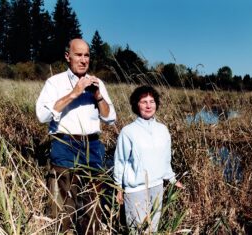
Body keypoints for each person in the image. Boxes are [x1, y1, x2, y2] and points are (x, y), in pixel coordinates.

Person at [36, 38, 116, 234]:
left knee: (92, 206)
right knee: (63, 207)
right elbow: (42, 115)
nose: (83, 60)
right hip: (64, 144)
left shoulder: (97, 83)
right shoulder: (55, 82)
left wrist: (97, 95)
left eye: (86, 55)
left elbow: (110, 118)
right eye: (78, 55)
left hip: (93, 146)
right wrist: (74, 93)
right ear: (67, 57)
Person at [113, 85, 183, 233]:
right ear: (136, 105)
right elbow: (120, 161)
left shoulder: (163, 129)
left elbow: (165, 159)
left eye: (152, 101)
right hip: (136, 190)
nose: (148, 105)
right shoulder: (128, 131)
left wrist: (172, 179)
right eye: (144, 101)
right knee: (137, 231)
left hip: (157, 187)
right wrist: (118, 187)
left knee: (152, 230)